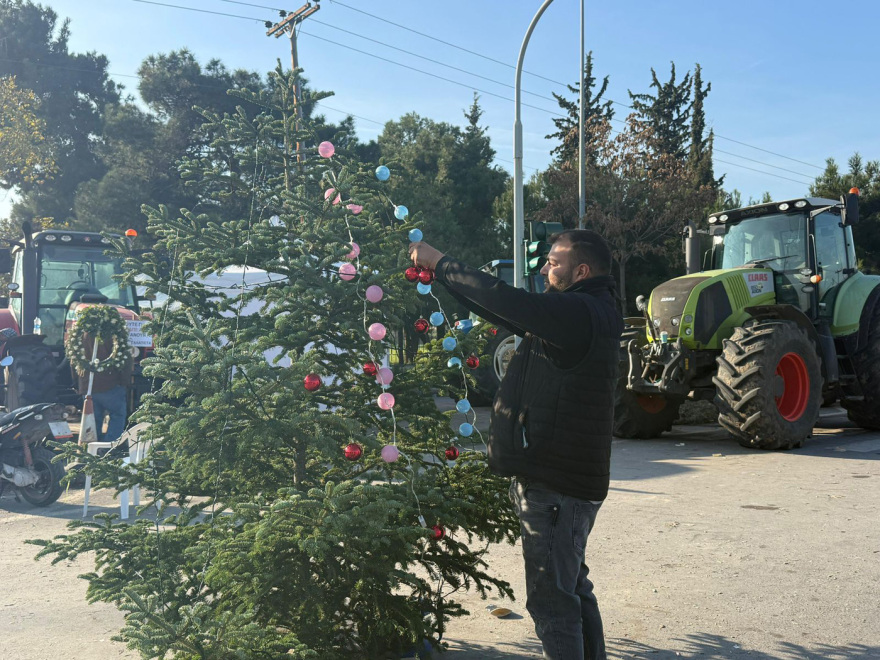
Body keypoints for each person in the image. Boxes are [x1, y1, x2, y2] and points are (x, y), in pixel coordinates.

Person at [409, 229, 623, 660]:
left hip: (556, 485)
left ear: (581, 271)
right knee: (573, 589)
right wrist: (445, 277)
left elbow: (512, 301)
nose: (545, 268)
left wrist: (442, 261)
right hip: (564, 481)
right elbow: (505, 310)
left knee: (553, 603)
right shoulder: (589, 309)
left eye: (555, 262)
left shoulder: (580, 311)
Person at [77, 332, 133, 446]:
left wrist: (79, 383)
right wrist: (125, 382)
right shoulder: (113, 333)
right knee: (117, 415)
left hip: (88, 385)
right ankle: (109, 446)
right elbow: (126, 359)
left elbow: (74, 360)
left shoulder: (82, 334)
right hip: (111, 384)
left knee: (93, 418)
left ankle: (92, 447)